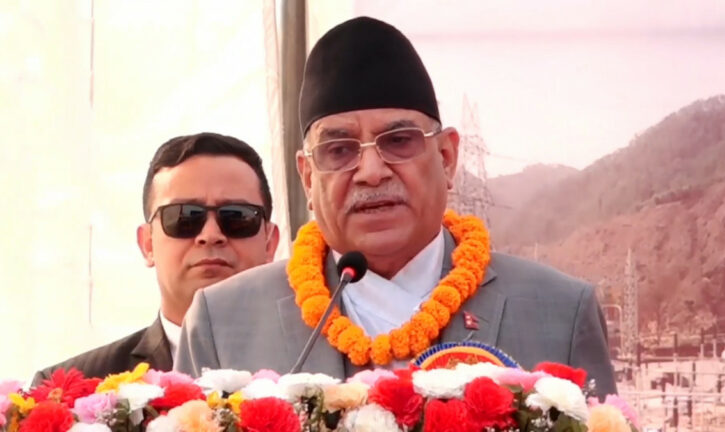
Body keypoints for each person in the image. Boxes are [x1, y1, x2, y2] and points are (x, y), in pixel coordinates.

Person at [175, 17, 617, 397]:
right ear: (308, 177)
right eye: (339, 150)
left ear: (446, 157)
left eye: (399, 141)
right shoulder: (224, 323)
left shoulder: (559, 312)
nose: (371, 172)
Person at [32, 132, 279, 384]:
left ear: (270, 243)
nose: (210, 235)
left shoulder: (306, 366)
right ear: (147, 243)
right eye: (184, 217)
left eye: (237, 216)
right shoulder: (65, 390)